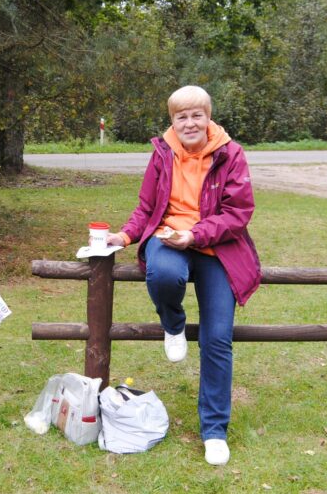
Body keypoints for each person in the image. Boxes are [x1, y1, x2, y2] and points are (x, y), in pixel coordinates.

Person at [107, 85, 260, 466]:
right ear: (172, 120)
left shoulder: (231, 154)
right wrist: (125, 235)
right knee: (162, 274)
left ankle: (214, 430)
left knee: (218, 339)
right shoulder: (161, 153)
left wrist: (195, 235)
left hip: (217, 246)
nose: (189, 123)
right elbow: (147, 206)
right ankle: (172, 324)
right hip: (167, 237)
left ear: (208, 117)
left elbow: (237, 214)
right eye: (181, 116)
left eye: (196, 115)